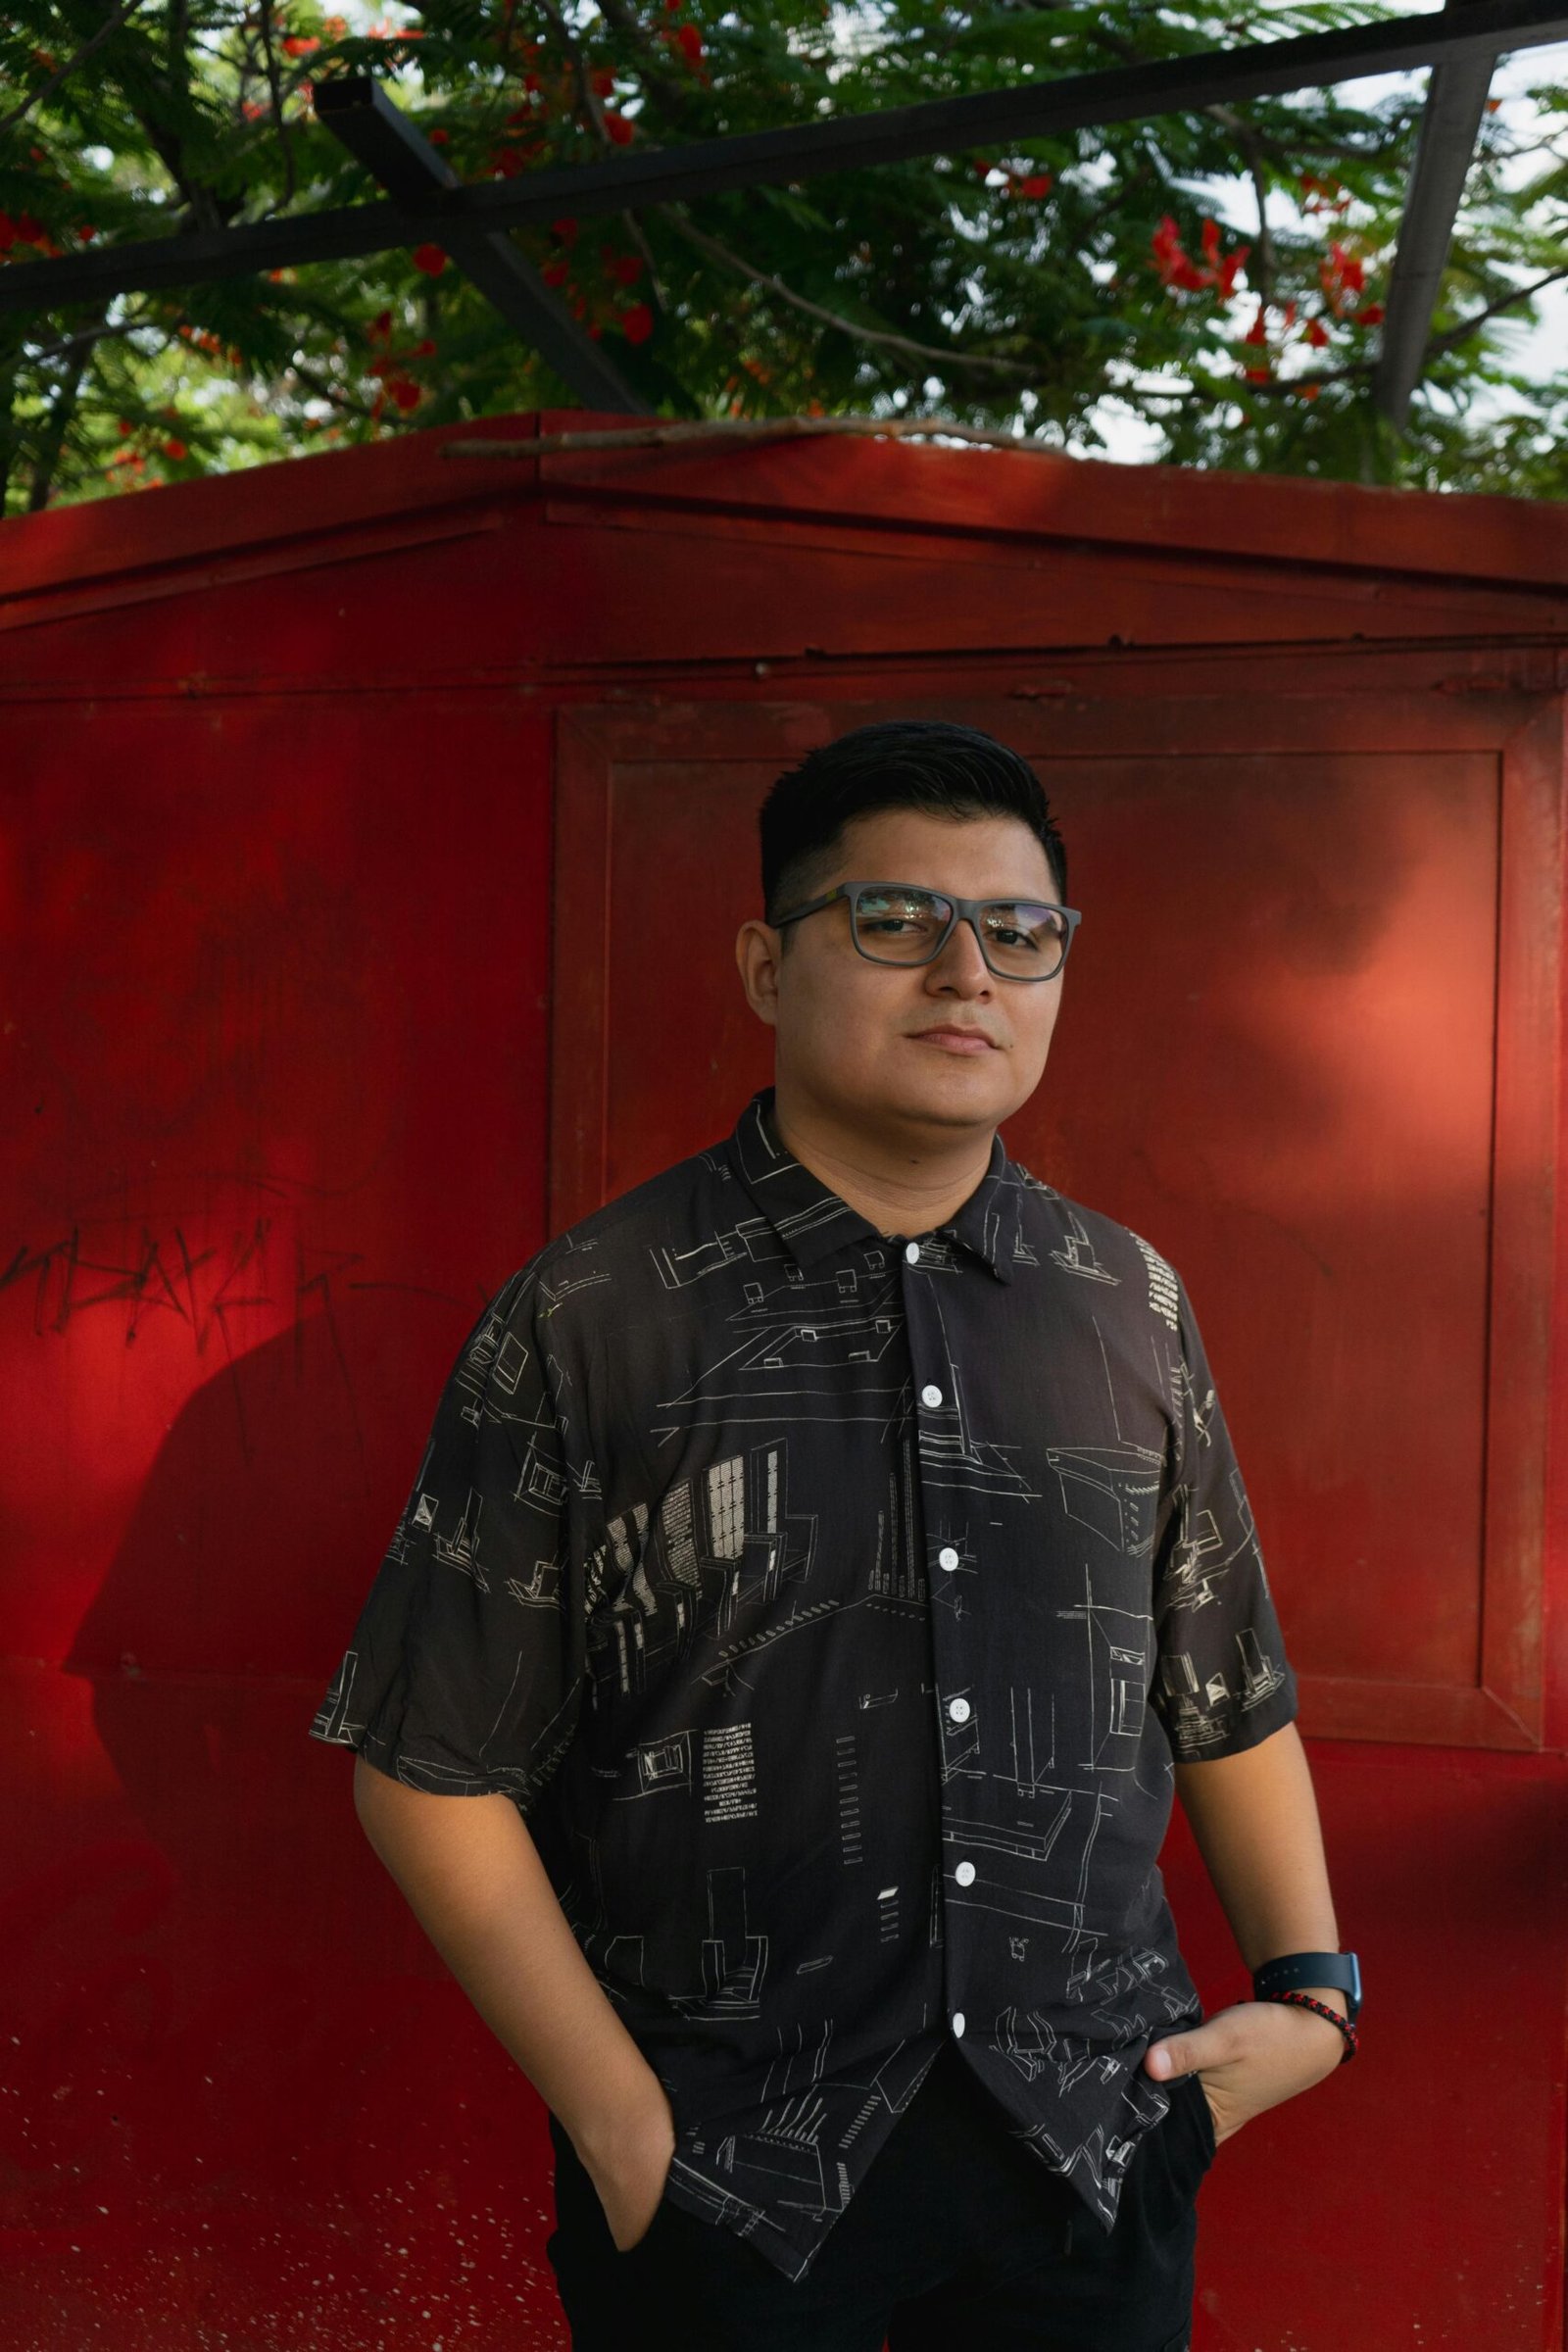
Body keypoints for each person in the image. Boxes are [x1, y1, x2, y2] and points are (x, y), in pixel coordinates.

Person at [309, 718, 1358, 2352]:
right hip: (729, 2182)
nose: (966, 971)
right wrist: (617, 2126)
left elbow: (1225, 1696)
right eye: (894, 920)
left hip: (1089, 2157)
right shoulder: (595, 1316)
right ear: (764, 961)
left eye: (1019, 932)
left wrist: (1312, 1999)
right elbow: (429, 1764)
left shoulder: (1128, 1308)